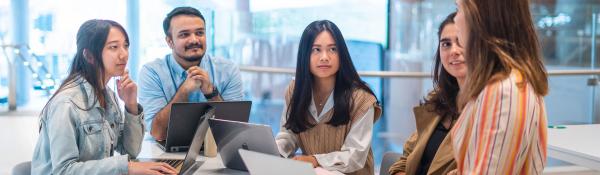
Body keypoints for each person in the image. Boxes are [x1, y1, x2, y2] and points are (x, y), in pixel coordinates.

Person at [31, 19, 177, 174]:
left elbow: (130, 151)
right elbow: (64, 170)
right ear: (89, 55)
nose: (124, 54)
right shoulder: (65, 104)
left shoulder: (109, 95)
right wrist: (127, 167)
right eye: (114, 47)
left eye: (125, 46)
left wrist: (131, 106)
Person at [450, 0, 549, 174]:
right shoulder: (508, 83)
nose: (455, 20)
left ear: (480, 16)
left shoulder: (504, 90)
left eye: (459, 8)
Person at [275, 20, 382, 175]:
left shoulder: (362, 99)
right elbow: (289, 134)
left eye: (332, 49)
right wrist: (272, 151)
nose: (324, 57)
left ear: (342, 54)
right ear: (305, 55)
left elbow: (355, 156)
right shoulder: (295, 89)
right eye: (316, 50)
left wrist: (314, 160)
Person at [138, 7, 244, 140]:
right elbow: (158, 133)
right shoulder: (152, 73)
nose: (194, 40)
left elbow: (234, 132)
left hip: (216, 151)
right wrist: (183, 92)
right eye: (184, 34)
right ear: (169, 41)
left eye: (200, 33)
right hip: (162, 153)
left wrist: (211, 93)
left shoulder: (228, 70)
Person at [388, 12, 464, 175]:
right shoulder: (437, 101)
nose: (454, 51)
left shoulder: (485, 107)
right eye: (446, 44)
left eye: (461, 41)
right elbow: (405, 159)